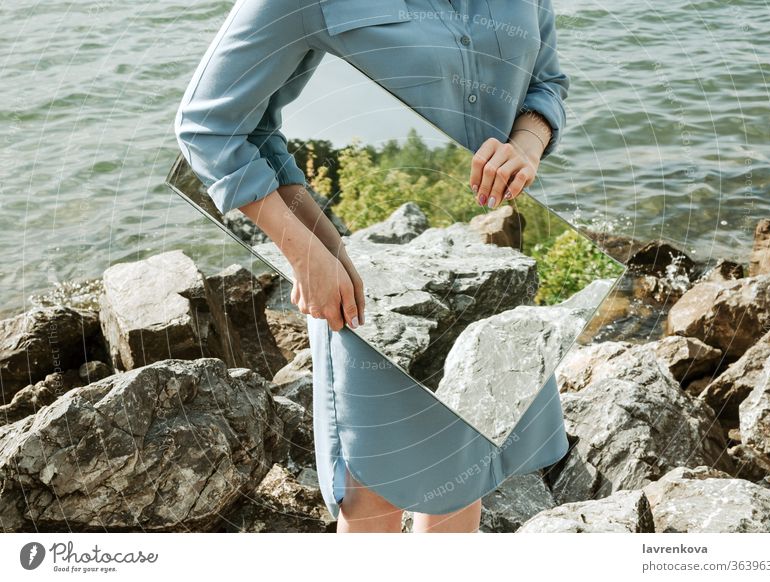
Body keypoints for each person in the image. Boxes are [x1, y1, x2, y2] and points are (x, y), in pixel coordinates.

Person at [174, 0, 570, 533]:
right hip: (362, 279)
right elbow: (208, 124)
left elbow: (546, 82)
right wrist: (305, 251)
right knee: (371, 502)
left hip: (486, 265)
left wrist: (527, 144)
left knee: (460, 476)